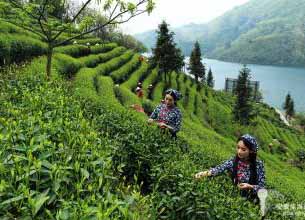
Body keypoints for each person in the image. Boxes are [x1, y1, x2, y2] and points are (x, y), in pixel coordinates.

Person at [195, 134, 265, 202]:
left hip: (252, 202)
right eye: (238, 147)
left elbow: (262, 187)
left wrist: (250, 186)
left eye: (243, 149)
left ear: (251, 151)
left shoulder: (258, 165)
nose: (239, 151)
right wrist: (203, 174)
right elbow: (219, 169)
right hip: (234, 199)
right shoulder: (233, 161)